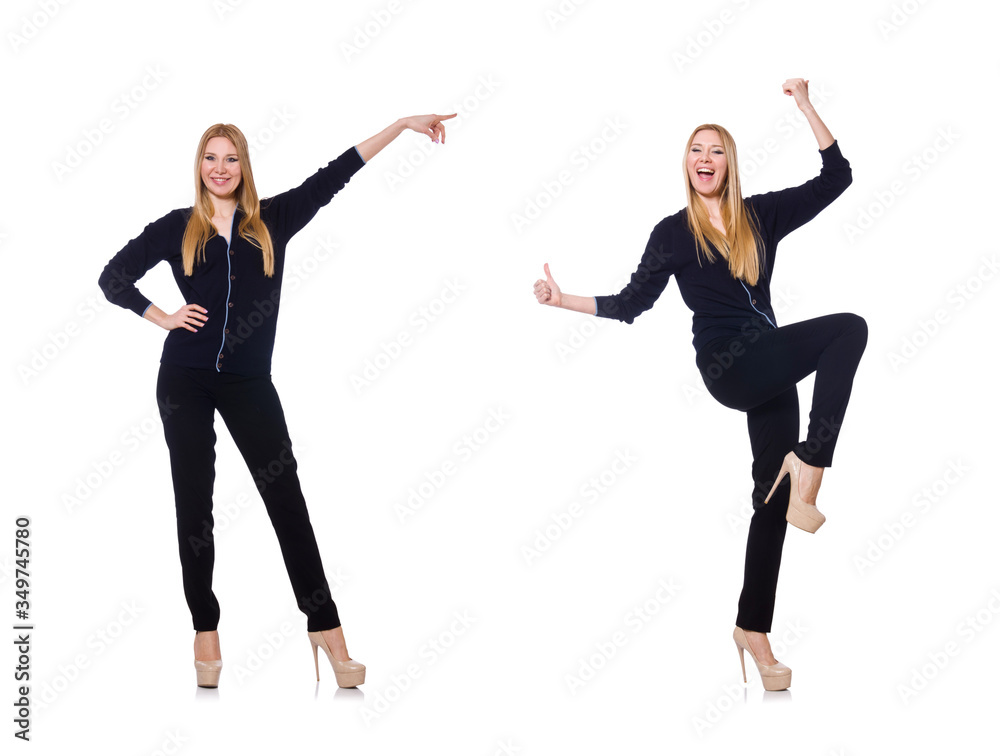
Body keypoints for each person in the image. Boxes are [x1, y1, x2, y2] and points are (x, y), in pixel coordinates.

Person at [98, 113, 456, 688]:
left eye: (230, 158)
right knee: (195, 506)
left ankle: (328, 630)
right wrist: (163, 317)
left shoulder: (272, 221)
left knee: (286, 500)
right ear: (199, 166)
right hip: (183, 379)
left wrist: (402, 125)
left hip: (249, 384)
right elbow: (112, 277)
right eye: (210, 158)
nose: (220, 168)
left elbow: (338, 173)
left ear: (244, 166)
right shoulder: (176, 227)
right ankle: (205, 629)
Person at [532, 78, 867, 691]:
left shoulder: (760, 215)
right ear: (685, 165)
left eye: (715, 151)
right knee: (848, 328)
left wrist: (805, 105)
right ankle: (813, 466)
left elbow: (837, 178)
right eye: (695, 151)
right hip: (729, 363)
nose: (704, 160)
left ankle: (754, 632)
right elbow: (632, 302)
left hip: (771, 359)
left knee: (769, 495)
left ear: (729, 164)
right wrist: (562, 302)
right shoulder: (673, 233)